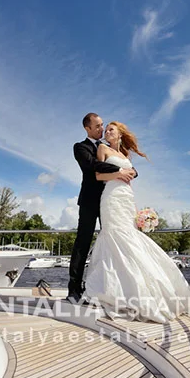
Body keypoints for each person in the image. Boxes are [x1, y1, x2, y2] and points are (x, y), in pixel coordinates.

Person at [83, 121, 190, 322]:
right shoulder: (102, 148)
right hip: (111, 196)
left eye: (111, 129)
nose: (106, 132)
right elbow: (98, 175)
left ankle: (145, 290)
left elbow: (132, 177)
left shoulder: (126, 156)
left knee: (132, 239)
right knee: (114, 237)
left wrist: (137, 211)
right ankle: (115, 292)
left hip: (126, 197)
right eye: (106, 129)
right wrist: (118, 173)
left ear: (120, 134)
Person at [67, 113, 136, 304]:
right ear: (87, 128)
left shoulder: (110, 148)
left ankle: (111, 287)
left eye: (103, 126)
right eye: (97, 126)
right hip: (90, 201)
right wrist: (119, 171)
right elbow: (92, 165)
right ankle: (74, 289)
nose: (101, 129)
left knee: (115, 240)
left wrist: (129, 170)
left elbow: (129, 166)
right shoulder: (80, 147)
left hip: (111, 201)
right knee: (83, 242)